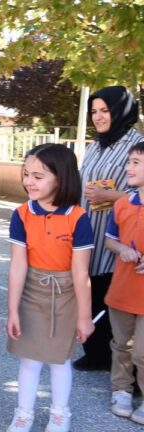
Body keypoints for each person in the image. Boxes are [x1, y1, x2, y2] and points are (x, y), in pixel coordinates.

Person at [5, 144, 95, 432]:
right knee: (29, 359)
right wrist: (12, 310)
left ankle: (59, 414)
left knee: (59, 360)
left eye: (39, 176)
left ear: (61, 177)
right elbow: (18, 265)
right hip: (31, 291)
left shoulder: (78, 217)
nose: (29, 181)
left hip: (66, 294)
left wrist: (84, 317)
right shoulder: (21, 214)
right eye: (26, 173)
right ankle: (24, 413)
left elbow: (81, 273)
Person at [74, 86, 144, 372]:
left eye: (105, 111)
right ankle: (97, 354)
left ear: (120, 111)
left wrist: (111, 197)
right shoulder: (96, 144)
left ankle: (124, 366)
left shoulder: (137, 144)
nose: (98, 117)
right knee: (88, 291)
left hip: (121, 236)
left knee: (112, 297)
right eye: (94, 112)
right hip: (89, 229)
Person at [104, 141, 144, 423]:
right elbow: (110, 240)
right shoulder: (121, 204)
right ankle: (121, 389)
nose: (128, 167)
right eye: (128, 161)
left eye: (136, 163)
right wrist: (122, 249)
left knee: (142, 352)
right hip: (121, 289)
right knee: (121, 345)